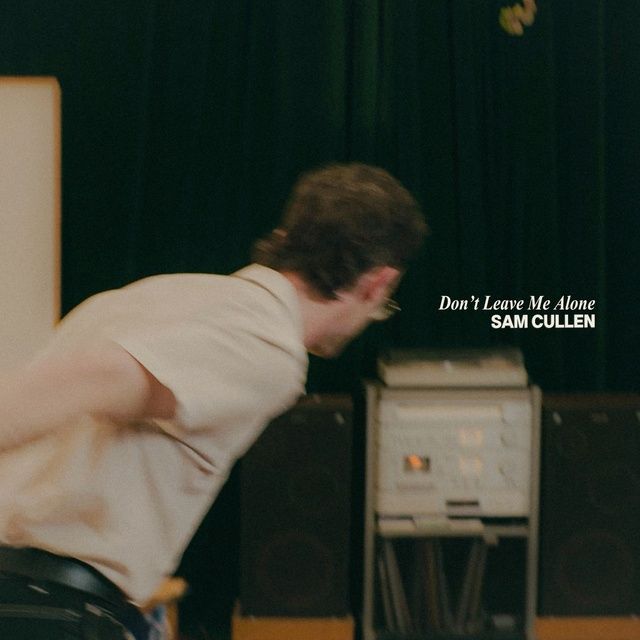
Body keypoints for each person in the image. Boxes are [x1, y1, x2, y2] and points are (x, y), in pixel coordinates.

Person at [0, 162, 427, 639]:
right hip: (48, 610)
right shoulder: (267, 343)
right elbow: (93, 380)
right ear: (377, 283)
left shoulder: (154, 295)